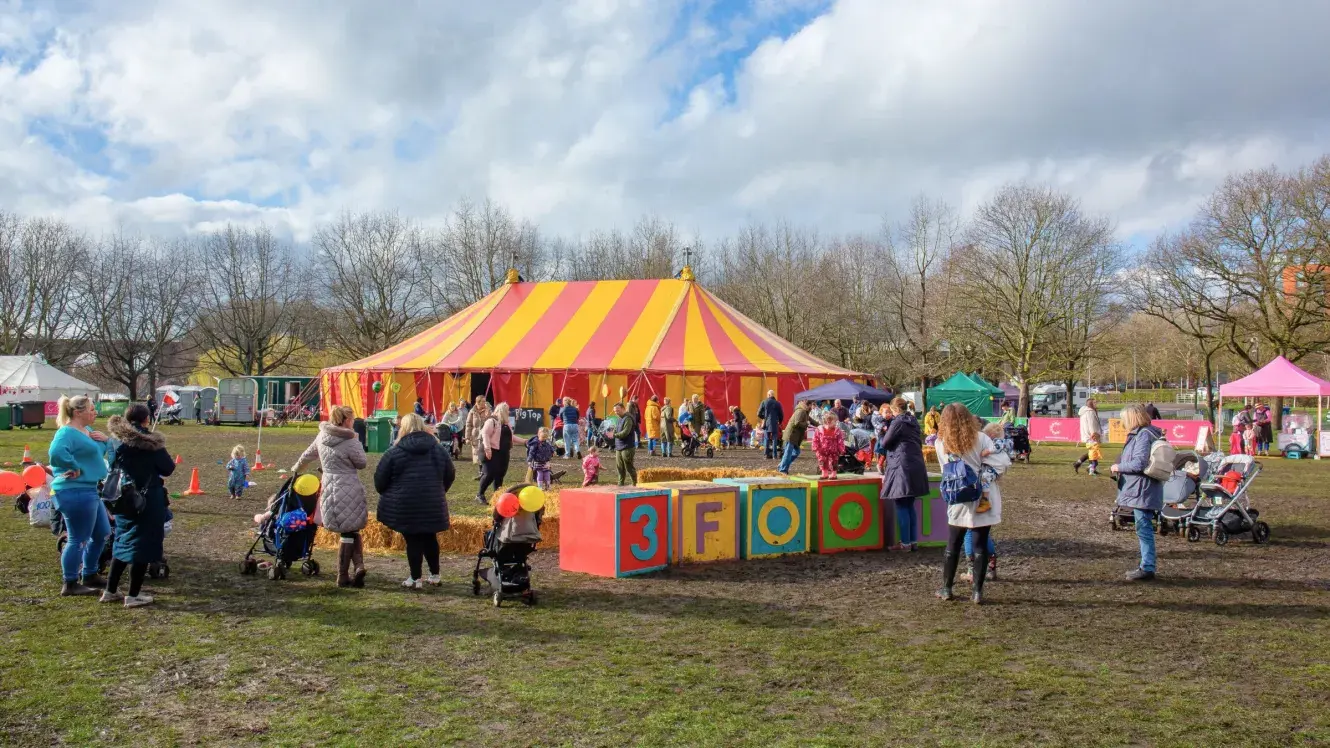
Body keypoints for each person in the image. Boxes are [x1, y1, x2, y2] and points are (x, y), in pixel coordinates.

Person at [934, 402, 1010, 604]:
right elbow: (1001, 463)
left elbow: (945, 469)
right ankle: (977, 592)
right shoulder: (982, 438)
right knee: (980, 544)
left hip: (958, 496)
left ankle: (946, 588)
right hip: (982, 496)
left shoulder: (941, 442)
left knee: (953, 544)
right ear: (969, 419)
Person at [101, 406, 175, 607]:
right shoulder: (151, 443)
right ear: (145, 420)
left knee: (121, 542)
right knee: (142, 547)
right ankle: (133, 595)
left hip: (123, 497)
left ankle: (110, 590)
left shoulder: (116, 441)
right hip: (147, 499)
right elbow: (168, 468)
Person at [374, 413, 455, 590]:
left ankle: (415, 578)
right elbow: (450, 474)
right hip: (432, 502)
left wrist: (391, 494)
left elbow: (380, 481)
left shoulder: (394, 452)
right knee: (430, 537)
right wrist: (438, 491)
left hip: (405, 504)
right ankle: (435, 575)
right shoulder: (438, 449)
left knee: (413, 540)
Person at [292, 405, 370, 588]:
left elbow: (307, 455)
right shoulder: (350, 440)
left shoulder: (322, 436)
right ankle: (344, 574)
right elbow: (362, 463)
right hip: (349, 486)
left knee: (350, 529)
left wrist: (296, 470)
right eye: (352, 419)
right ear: (346, 421)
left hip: (329, 486)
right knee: (350, 528)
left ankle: (358, 567)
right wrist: (357, 442)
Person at [48, 395, 111, 596]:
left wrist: (106, 440)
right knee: (78, 538)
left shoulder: (87, 431)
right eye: (91, 409)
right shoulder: (66, 432)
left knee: (101, 532)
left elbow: (96, 454)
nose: (95, 412)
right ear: (78, 412)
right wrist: (72, 466)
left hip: (90, 489)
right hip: (74, 490)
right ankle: (70, 582)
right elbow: (56, 452)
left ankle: (90, 573)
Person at [1112, 404, 1165, 582]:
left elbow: (1138, 464)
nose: (1122, 422)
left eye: (1124, 419)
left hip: (1142, 489)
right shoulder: (1148, 433)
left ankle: (1147, 567)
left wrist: (1117, 467)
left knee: (1143, 528)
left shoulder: (1142, 436)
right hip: (1144, 488)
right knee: (1143, 527)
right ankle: (1146, 565)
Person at [880, 398, 928, 552]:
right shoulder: (913, 421)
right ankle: (913, 541)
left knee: (901, 504)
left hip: (901, 465)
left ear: (894, 410)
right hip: (916, 463)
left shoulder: (898, 422)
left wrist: (884, 434)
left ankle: (905, 543)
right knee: (910, 505)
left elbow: (885, 443)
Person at [477, 403, 522, 504]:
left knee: (500, 475)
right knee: (489, 474)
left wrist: (524, 441)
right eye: (507, 410)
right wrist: (488, 449)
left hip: (503, 452)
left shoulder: (506, 424)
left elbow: (511, 437)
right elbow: (485, 434)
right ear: (502, 411)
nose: (508, 412)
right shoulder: (492, 421)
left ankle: (497, 496)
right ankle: (480, 494)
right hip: (491, 451)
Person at [778, 400, 811, 474]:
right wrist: (806, 424)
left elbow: (810, 420)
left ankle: (782, 465)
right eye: (811, 405)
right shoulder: (801, 411)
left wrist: (819, 425)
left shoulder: (805, 412)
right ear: (808, 405)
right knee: (788, 453)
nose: (812, 407)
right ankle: (782, 470)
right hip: (791, 435)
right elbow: (797, 422)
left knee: (796, 452)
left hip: (795, 436)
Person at [1072, 398, 1102, 475]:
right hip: (1091, 436)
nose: (1096, 404)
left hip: (1087, 435)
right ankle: (1091, 468)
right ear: (1091, 404)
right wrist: (1095, 435)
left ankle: (1078, 463)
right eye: (1095, 403)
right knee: (1094, 452)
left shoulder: (1086, 412)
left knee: (1091, 452)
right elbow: (1092, 425)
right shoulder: (1090, 412)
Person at [811, 412, 845, 480]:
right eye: (834, 421)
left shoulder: (837, 430)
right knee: (822, 461)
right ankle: (824, 473)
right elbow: (815, 439)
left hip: (834, 451)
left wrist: (841, 449)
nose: (835, 423)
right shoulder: (819, 429)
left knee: (833, 462)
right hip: (822, 450)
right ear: (827, 421)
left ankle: (833, 474)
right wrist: (815, 446)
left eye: (835, 421)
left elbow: (840, 441)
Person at [612, 403, 638, 486]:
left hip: (627, 446)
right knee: (620, 468)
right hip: (619, 446)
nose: (616, 412)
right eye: (615, 411)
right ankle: (620, 484)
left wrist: (614, 435)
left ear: (623, 409)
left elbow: (625, 432)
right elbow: (616, 430)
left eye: (618, 410)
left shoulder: (628, 419)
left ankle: (636, 483)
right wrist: (612, 433)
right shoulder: (619, 419)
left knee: (629, 467)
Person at [465, 397, 491, 467]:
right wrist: (467, 437)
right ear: (478, 402)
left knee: (485, 454)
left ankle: (483, 473)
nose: (485, 403)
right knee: (477, 455)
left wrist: (488, 413)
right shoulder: (472, 412)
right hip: (475, 436)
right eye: (483, 401)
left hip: (485, 436)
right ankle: (481, 472)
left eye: (485, 401)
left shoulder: (488, 410)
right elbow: (468, 425)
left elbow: (491, 421)